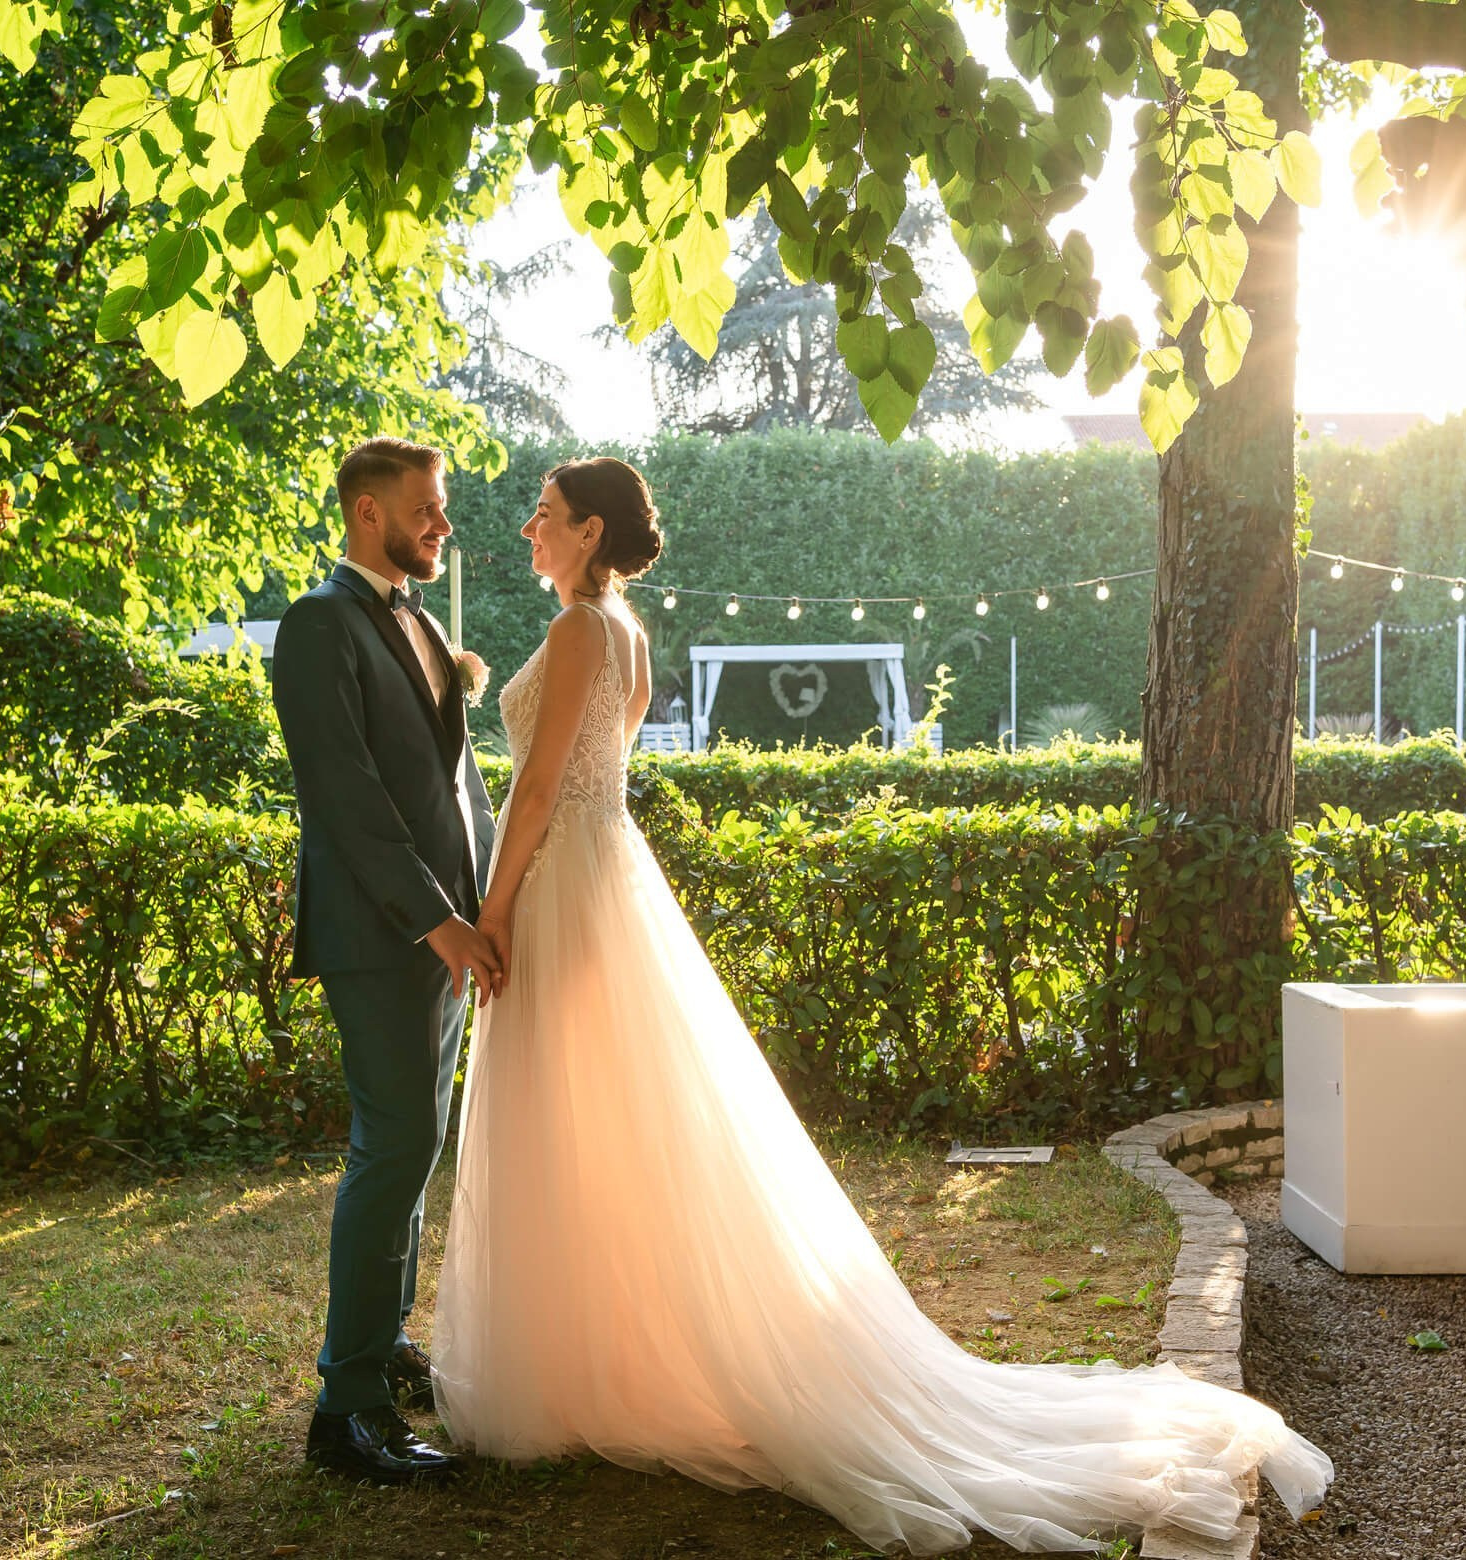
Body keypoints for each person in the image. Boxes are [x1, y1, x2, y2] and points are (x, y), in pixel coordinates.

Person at [429, 455, 1333, 1554]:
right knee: (614, 1119)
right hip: (606, 874)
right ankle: (607, 1354)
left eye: (540, 517)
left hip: (567, 886)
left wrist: (492, 902)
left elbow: (536, 786)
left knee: (576, 1115)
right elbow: (600, 760)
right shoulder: (626, 632)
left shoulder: (580, 632)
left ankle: (586, 1366)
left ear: (584, 530)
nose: (525, 531)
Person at [271, 436, 499, 1485]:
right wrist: (435, 921)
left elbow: (460, 791)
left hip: (448, 930)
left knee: (418, 1146)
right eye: (427, 508)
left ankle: (387, 1342)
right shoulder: (318, 627)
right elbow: (346, 800)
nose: (442, 524)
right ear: (368, 512)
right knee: (393, 1144)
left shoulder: (418, 621)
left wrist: (492, 905)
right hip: (380, 933)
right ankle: (345, 1405)